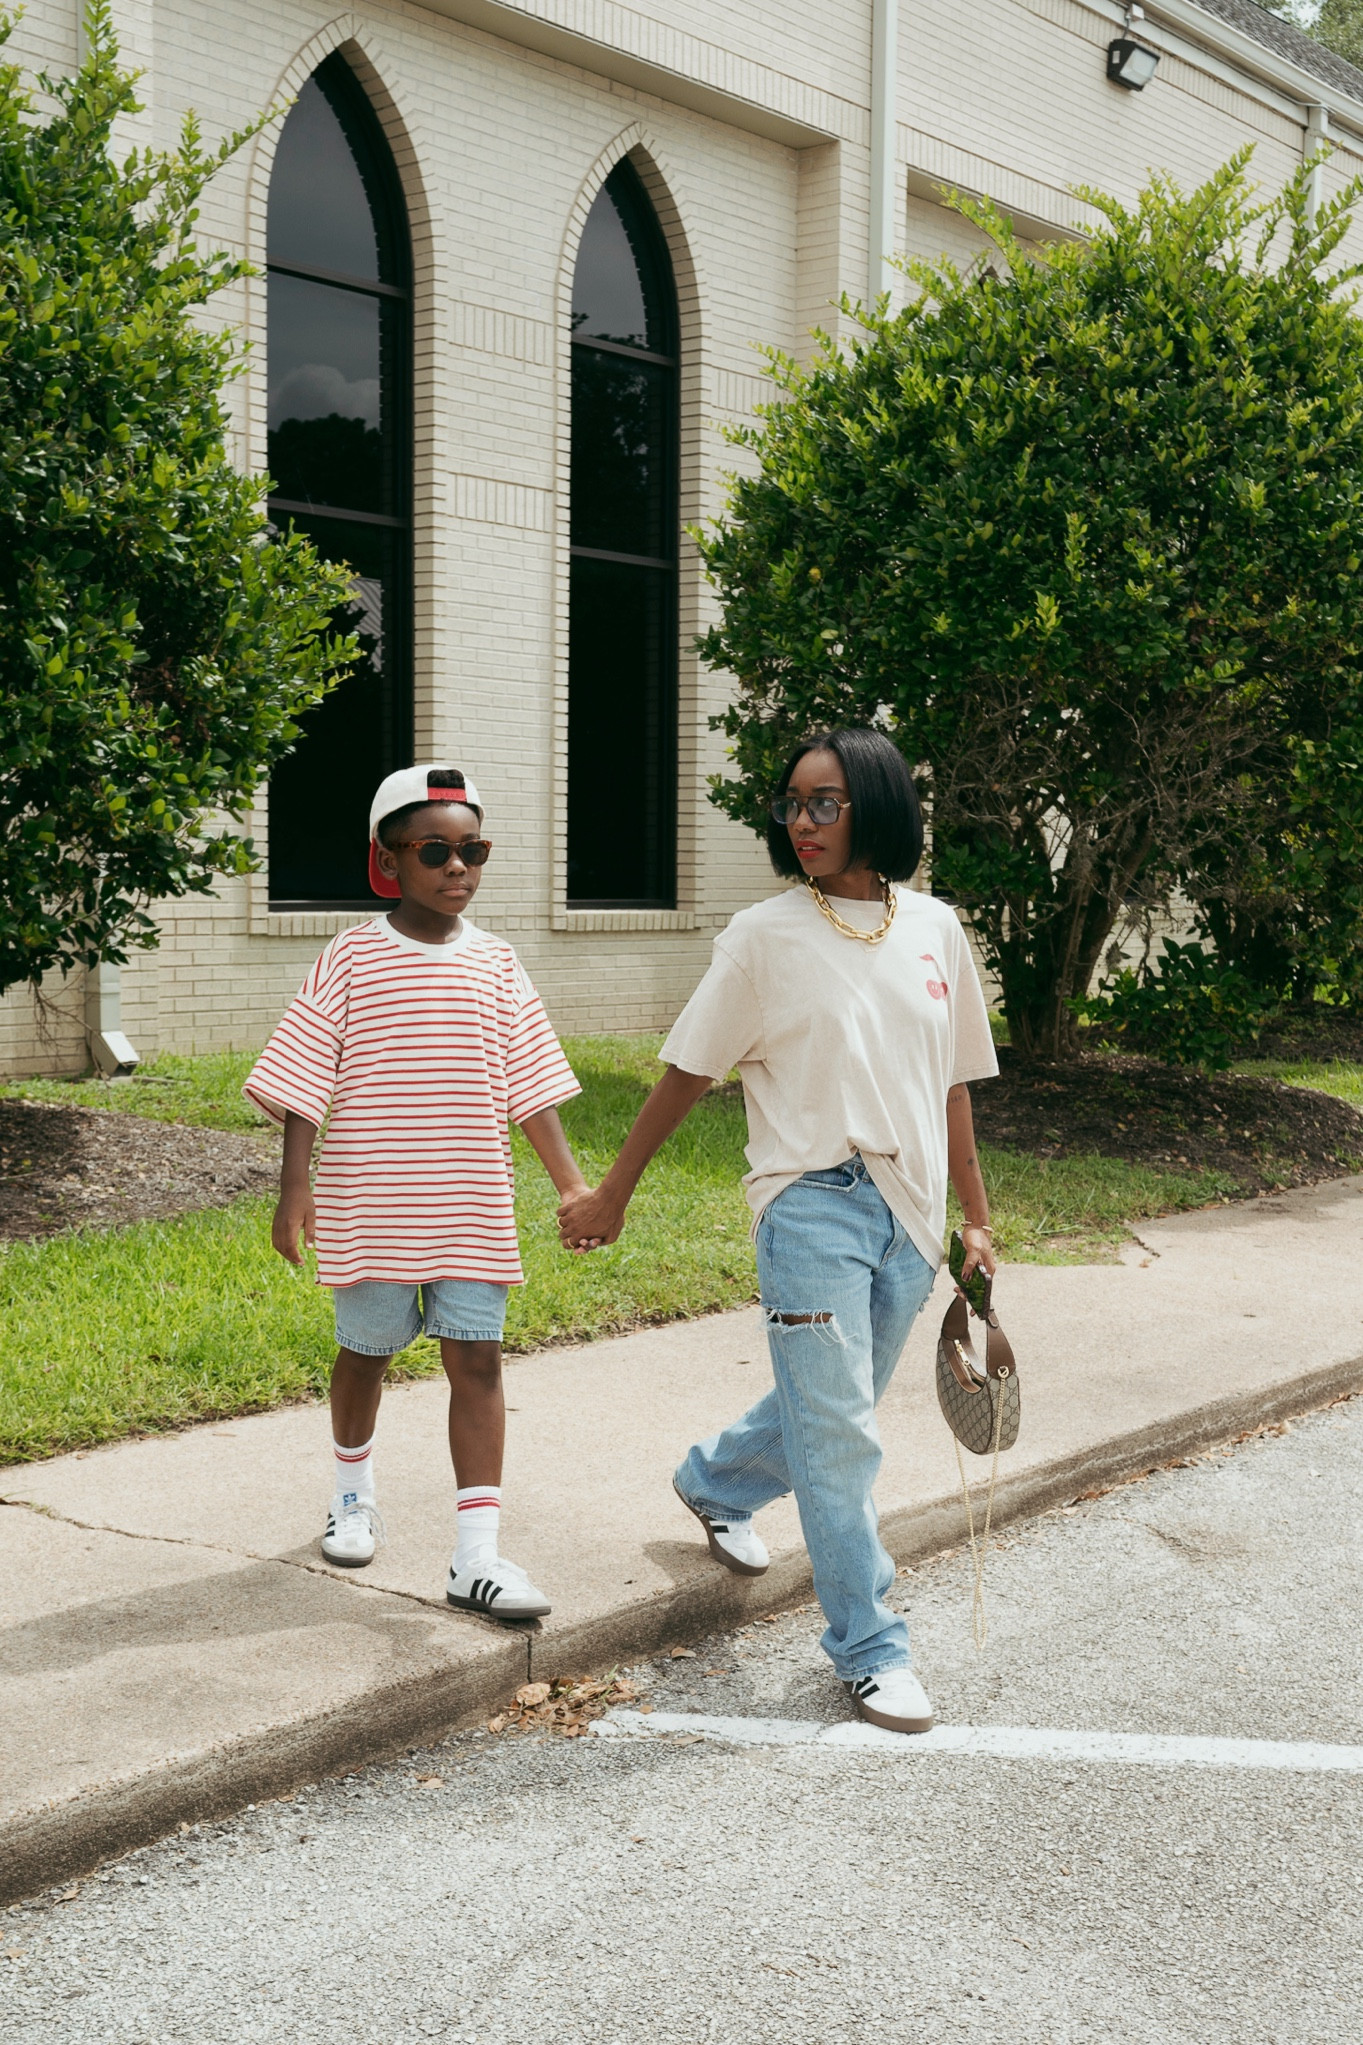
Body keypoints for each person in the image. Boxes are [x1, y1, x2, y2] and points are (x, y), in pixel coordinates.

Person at [558, 727, 998, 1732]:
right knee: (839, 1435)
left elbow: (953, 1087)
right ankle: (871, 1647)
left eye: (824, 802)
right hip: (808, 1205)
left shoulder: (935, 927)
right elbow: (687, 1069)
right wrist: (614, 1191)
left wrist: (975, 1220)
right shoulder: (761, 936)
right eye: (792, 803)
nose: (802, 820)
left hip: (910, 1213)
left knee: (833, 1408)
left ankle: (713, 1479)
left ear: (875, 806)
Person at [245, 764, 589, 1620]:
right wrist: (294, 1188)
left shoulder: (497, 962)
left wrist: (572, 1185)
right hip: (373, 1200)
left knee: (478, 1360)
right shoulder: (350, 957)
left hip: (471, 1200)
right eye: (434, 850)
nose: (457, 866)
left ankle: (477, 1554)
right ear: (387, 860)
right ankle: (351, 1494)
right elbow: (303, 1080)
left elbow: (532, 1087)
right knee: (365, 1353)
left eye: (473, 849)